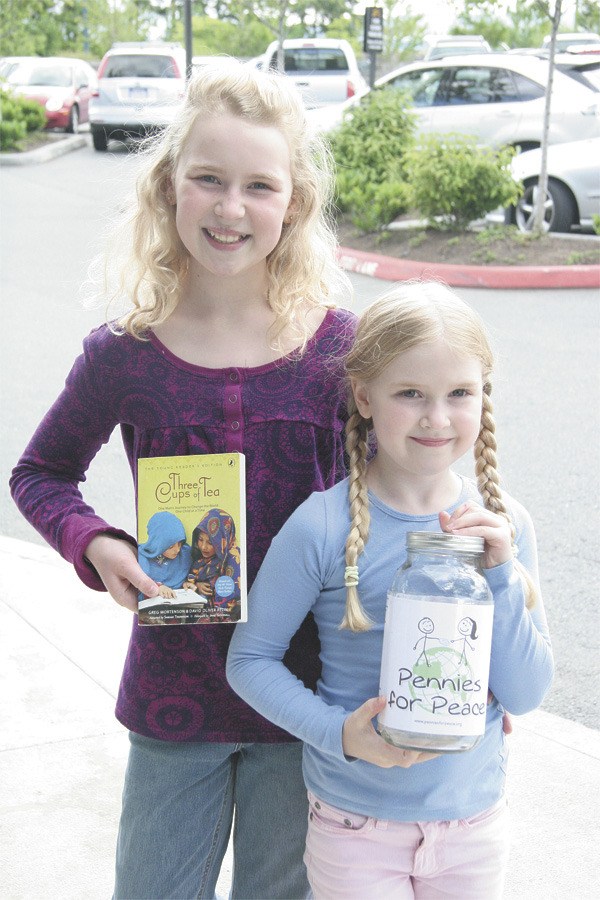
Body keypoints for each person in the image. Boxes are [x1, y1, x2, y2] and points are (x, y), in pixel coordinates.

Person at [10, 62, 355, 899]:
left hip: (303, 696)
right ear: (169, 188)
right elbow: (41, 473)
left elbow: (387, 504)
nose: (231, 207)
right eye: (208, 179)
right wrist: (98, 546)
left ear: (294, 203)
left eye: (258, 186)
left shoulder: (341, 351)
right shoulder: (124, 353)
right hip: (176, 692)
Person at [227, 282, 554, 899]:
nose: (436, 417)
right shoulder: (324, 525)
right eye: (410, 394)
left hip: (472, 822)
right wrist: (339, 733)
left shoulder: (504, 524)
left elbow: (528, 690)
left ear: (483, 395)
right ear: (364, 396)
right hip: (355, 825)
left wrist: (503, 576)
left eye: (459, 393)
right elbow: (249, 660)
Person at [183, 508, 241, 618]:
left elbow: (231, 603)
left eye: (210, 542)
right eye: (200, 540)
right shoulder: (199, 559)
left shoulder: (233, 558)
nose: (203, 547)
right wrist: (196, 585)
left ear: (223, 539)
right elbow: (190, 580)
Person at [138, 510, 192, 599]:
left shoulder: (184, 554)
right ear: (158, 543)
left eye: (180, 543)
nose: (177, 550)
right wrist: (157, 587)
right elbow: (138, 584)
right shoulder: (142, 557)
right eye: (170, 546)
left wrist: (187, 583)